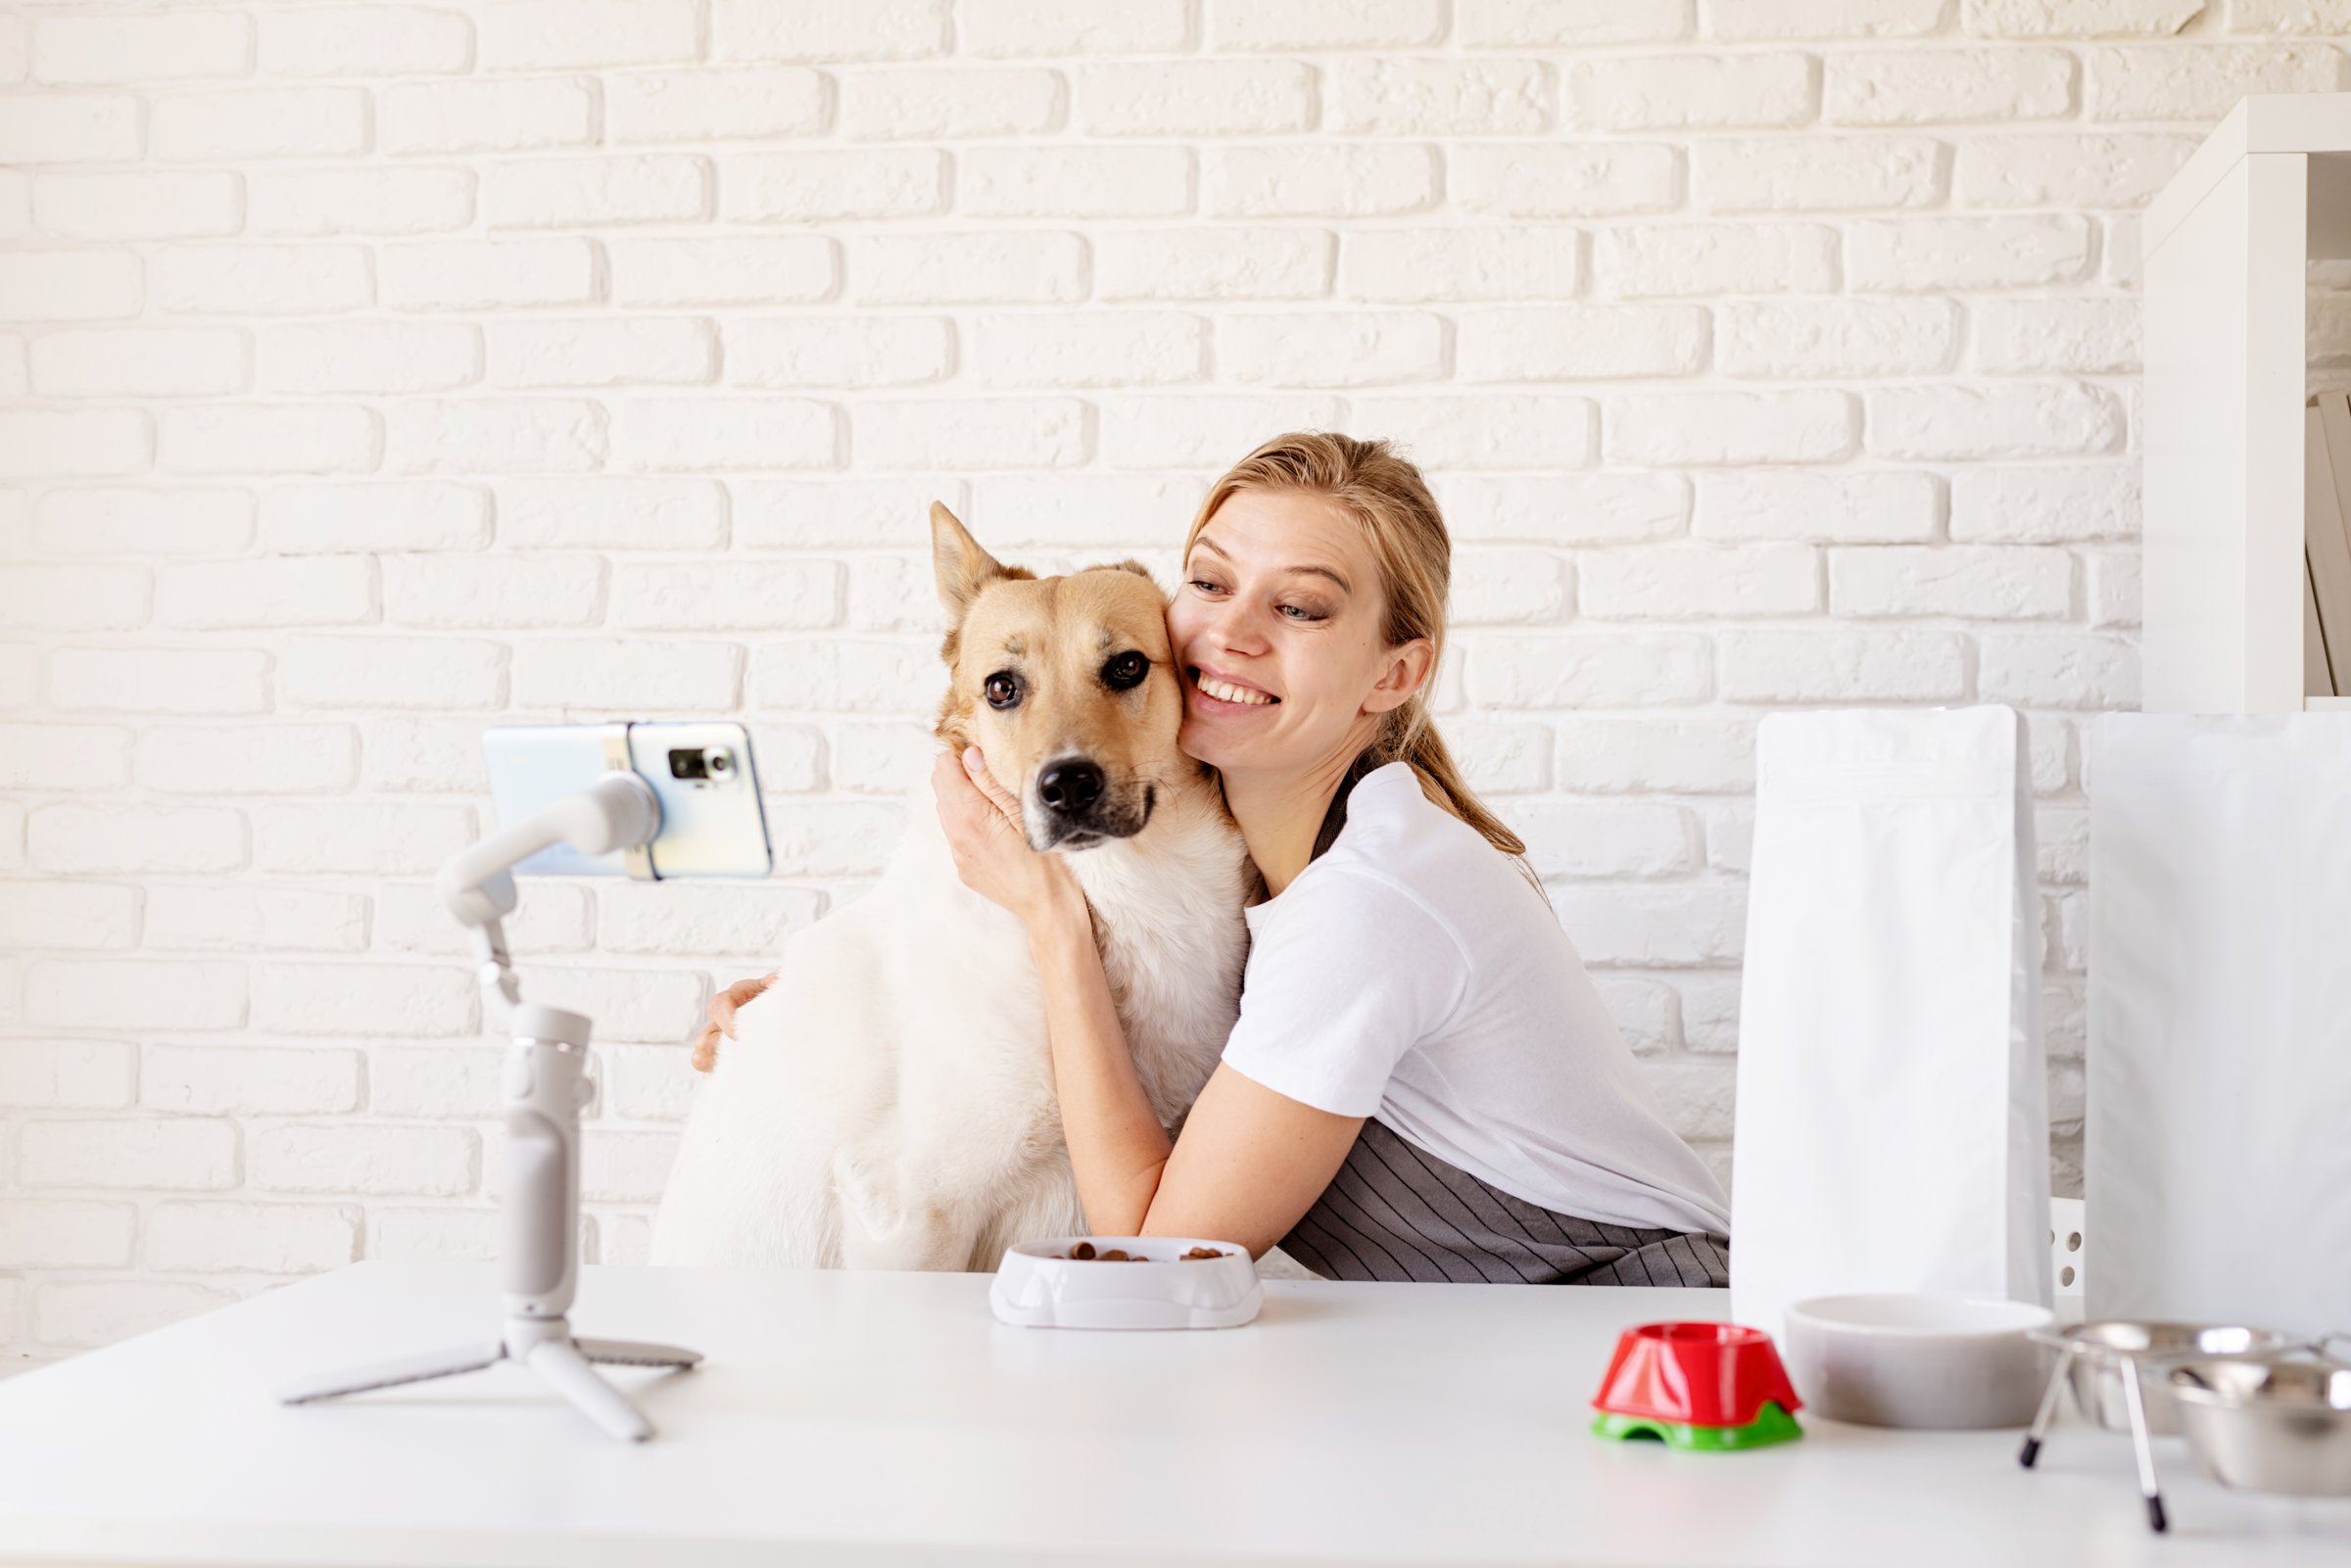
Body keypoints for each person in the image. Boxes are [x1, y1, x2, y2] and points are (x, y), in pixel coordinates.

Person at [714, 432, 1732, 1285]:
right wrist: (830, 1014)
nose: (1231, 633)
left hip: (1645, 1332)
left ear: (1397, 670)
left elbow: (1159, 1250)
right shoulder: (1273, 880)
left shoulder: (1367, 900)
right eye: (1210, 582)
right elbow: (1162, 1028)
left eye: (1301, 606)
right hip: (1498, 1340)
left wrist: (1050, 920)